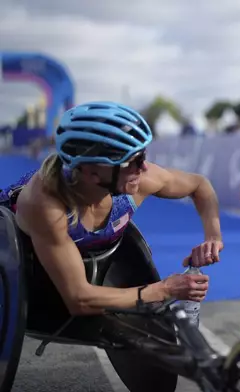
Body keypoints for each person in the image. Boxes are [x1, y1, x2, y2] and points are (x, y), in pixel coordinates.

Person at [0, 101, 224, 316]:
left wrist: (213, 237)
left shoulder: (140, 178)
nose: (143, 167)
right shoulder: (46, 205)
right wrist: (165, 289)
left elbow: (199, 185)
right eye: (132, 161)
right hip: (21, 255)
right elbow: (79, 300)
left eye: (143, 156)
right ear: (91, 172)